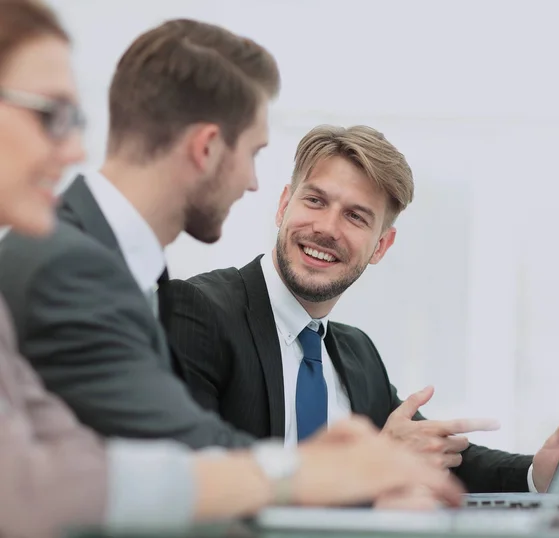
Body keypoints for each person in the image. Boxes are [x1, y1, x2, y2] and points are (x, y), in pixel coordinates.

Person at [0, 4, 463, 534]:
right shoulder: (72, 266)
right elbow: (175, 455)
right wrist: (323, 476)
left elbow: (81, 472)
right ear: (207, 148)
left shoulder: (108, 268)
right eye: (253, 153)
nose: (251, 182)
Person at [167, 124, 559, 494]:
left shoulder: (356, 353)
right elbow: (194, 476)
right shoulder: (200, 311)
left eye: (355, 217)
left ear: (381, 246)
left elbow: (437, 454)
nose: (327, 228)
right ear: (282, 207)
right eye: (314, 200)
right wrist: (371, 463)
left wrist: (538, 474)